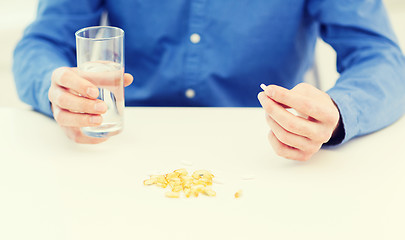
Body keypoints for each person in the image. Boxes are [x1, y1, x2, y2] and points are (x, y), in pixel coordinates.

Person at [13, 0, 405, 161]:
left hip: (265, 153)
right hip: (123, 149)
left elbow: (383, 58)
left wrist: (338, 111)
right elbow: (42, 42)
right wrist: (59, 92)